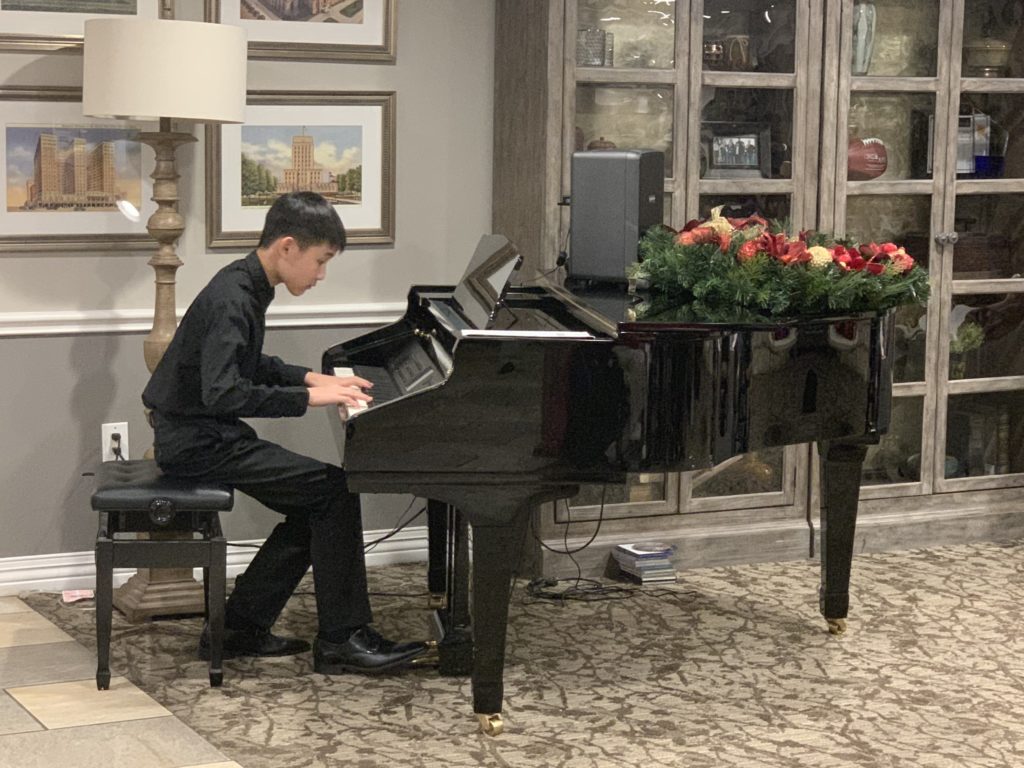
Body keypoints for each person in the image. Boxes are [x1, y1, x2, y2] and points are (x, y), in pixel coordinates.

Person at [142, 191, 426, 674]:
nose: (320, 275)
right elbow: (224, 394)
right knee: (333, 492)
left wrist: (308, 377)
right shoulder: (235, 298)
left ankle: (240, 627)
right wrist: (309, 399)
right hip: (196, 442)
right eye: (320, 262)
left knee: (316, 503)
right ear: (288, 247)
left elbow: (246, 364)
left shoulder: (246, 284)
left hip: (200, 432)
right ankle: (342, 639)